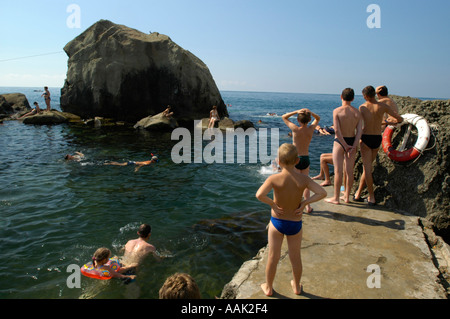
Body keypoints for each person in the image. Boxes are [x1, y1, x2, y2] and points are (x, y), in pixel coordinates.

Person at [256, 144, 327, 296]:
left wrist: (273, 204)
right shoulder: (304, 179)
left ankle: (268, 288)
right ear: (297, 161)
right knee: (295, 257)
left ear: (279, 162)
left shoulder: (274, 178)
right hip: (295, 223)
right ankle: (296, 286)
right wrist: (305, 203)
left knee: (273, 256)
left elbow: (259, 195)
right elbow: (322, 192)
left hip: (277, 222)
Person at [353, 86, 403, 205]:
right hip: (377, 138)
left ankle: (371, 197)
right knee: (368, 168)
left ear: (365, 96)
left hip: (365, 139)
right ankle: (358, 194)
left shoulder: (363, 107)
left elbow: (358, 125)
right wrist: (387, 122)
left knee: (367, 169)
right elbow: (400, 119)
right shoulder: (383, 106)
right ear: (374, 95)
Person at [324, 88, 363, 205]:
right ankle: (346, 197)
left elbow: (336, 130)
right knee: (349, 171)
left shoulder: (337, 111)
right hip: (352, 142)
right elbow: (359, 131)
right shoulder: (357, 113)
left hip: (340, 142)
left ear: (341, 97)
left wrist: (344, 145)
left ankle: (336, 198)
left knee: (338, 171)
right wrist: (353, 146)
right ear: (353, 98)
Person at [282, 108, 320, 213]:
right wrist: (310, 112)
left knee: (295, 184)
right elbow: (318, 118)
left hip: (296, 159)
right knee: (305, 183)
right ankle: (307, 207)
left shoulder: (295, 129)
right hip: (306, 159)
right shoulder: (311, 129)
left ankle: (294, 205)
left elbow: (284, 117)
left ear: (298, 120)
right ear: (309, 120)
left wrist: (297, 111)